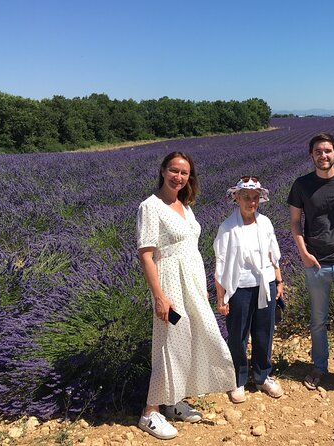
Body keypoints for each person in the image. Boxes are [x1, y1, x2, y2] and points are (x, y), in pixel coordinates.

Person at [136, 151, 237, 440]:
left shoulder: (184, 204)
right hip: (169, 284)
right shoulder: (150, 206)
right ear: (163, 170)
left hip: (191, 284)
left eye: (184, 172)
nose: (178, 177)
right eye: (174, 170)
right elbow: (146, 256)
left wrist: (200, 286)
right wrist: (159, 296)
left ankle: (173, 400)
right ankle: (150, 412)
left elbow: (190, 250)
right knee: (170, 343)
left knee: (193, 337)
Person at [287, 133, 334, 394]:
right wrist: (303, 252)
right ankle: (319, 367)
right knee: (317, 320)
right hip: (315, 263)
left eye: (328, 151)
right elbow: (295, 222)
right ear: (311, 156)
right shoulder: (302, 184)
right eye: (318, 151)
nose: (323, 155)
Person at [214, 176, 285, 403]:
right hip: (239, 288)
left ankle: (263, 376)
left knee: (265, 332)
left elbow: (274, 255)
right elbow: (221, 264)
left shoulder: (265, 223)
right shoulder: (227, 228)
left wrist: (279, 282)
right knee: (238, 335)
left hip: (265, 284)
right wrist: (221, 298)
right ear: (237, 198)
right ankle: (238, 380)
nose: (251, 202)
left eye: (255, 198)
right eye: (246, 197)